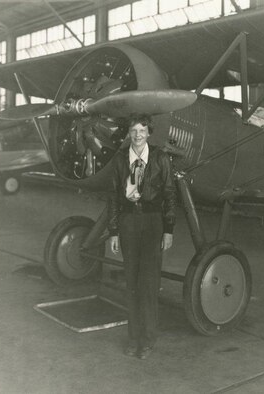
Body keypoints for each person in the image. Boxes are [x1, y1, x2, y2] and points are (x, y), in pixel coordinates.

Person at [107, 114, 176, 360]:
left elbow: (169, 194)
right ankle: (133, 338)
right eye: (134, 130)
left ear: (149, 133)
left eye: (142, 130)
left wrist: (168, 229)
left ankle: (147, 340)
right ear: (129, 133)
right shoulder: (119, 159)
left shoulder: (159, 158)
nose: (137, 135)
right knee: (132, 283)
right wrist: (114, 231)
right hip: (128, 223)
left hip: (152, 222)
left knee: (148, 283)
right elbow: (114, 197)